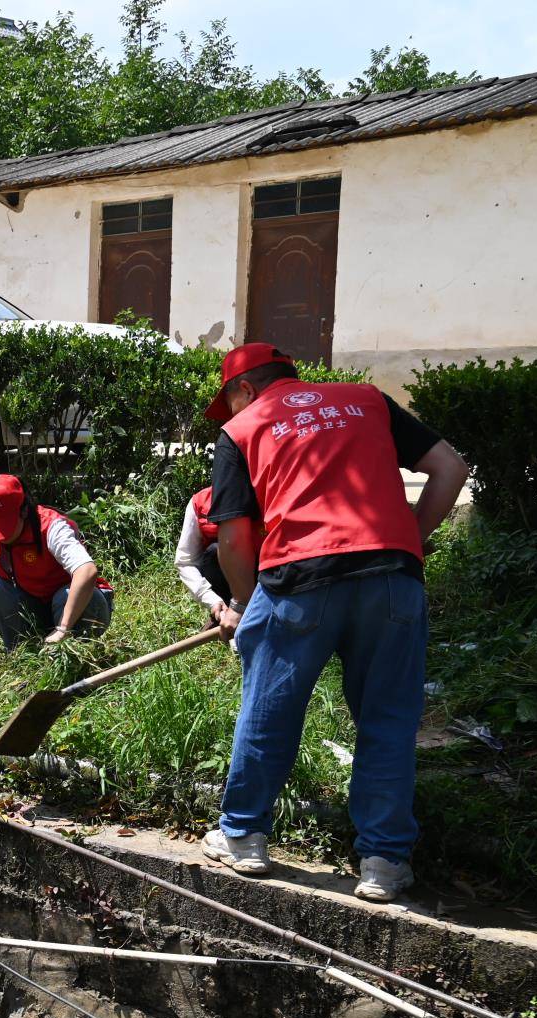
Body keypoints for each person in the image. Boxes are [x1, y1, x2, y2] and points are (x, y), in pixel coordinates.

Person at [200, 343, 469, 902]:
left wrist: (248, 604)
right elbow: (450, 467)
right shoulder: (367, 400)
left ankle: (244, 836)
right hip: (391, 575)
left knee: (269, 708)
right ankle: (383, 862)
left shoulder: (244, 427)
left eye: (228, 402)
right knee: (388, 718)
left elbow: (232, 536)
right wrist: (409, 542)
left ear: (243, 390)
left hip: (300, 578)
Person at [0, 474, 113, 650]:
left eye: (4, 525)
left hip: (76, 607)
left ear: (24, 510)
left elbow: (87, 571)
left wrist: (63, 629)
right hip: (36, 606)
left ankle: (76, 651)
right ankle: (22, 652)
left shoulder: (50, 527)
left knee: (67, 593)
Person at [174, 485, 261, 629]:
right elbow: (186, 562)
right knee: (214, 551)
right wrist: (212, 600)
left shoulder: (268, 493)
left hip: (266, 581)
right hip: (225, 586)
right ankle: (224, 613)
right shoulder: (200, 502)